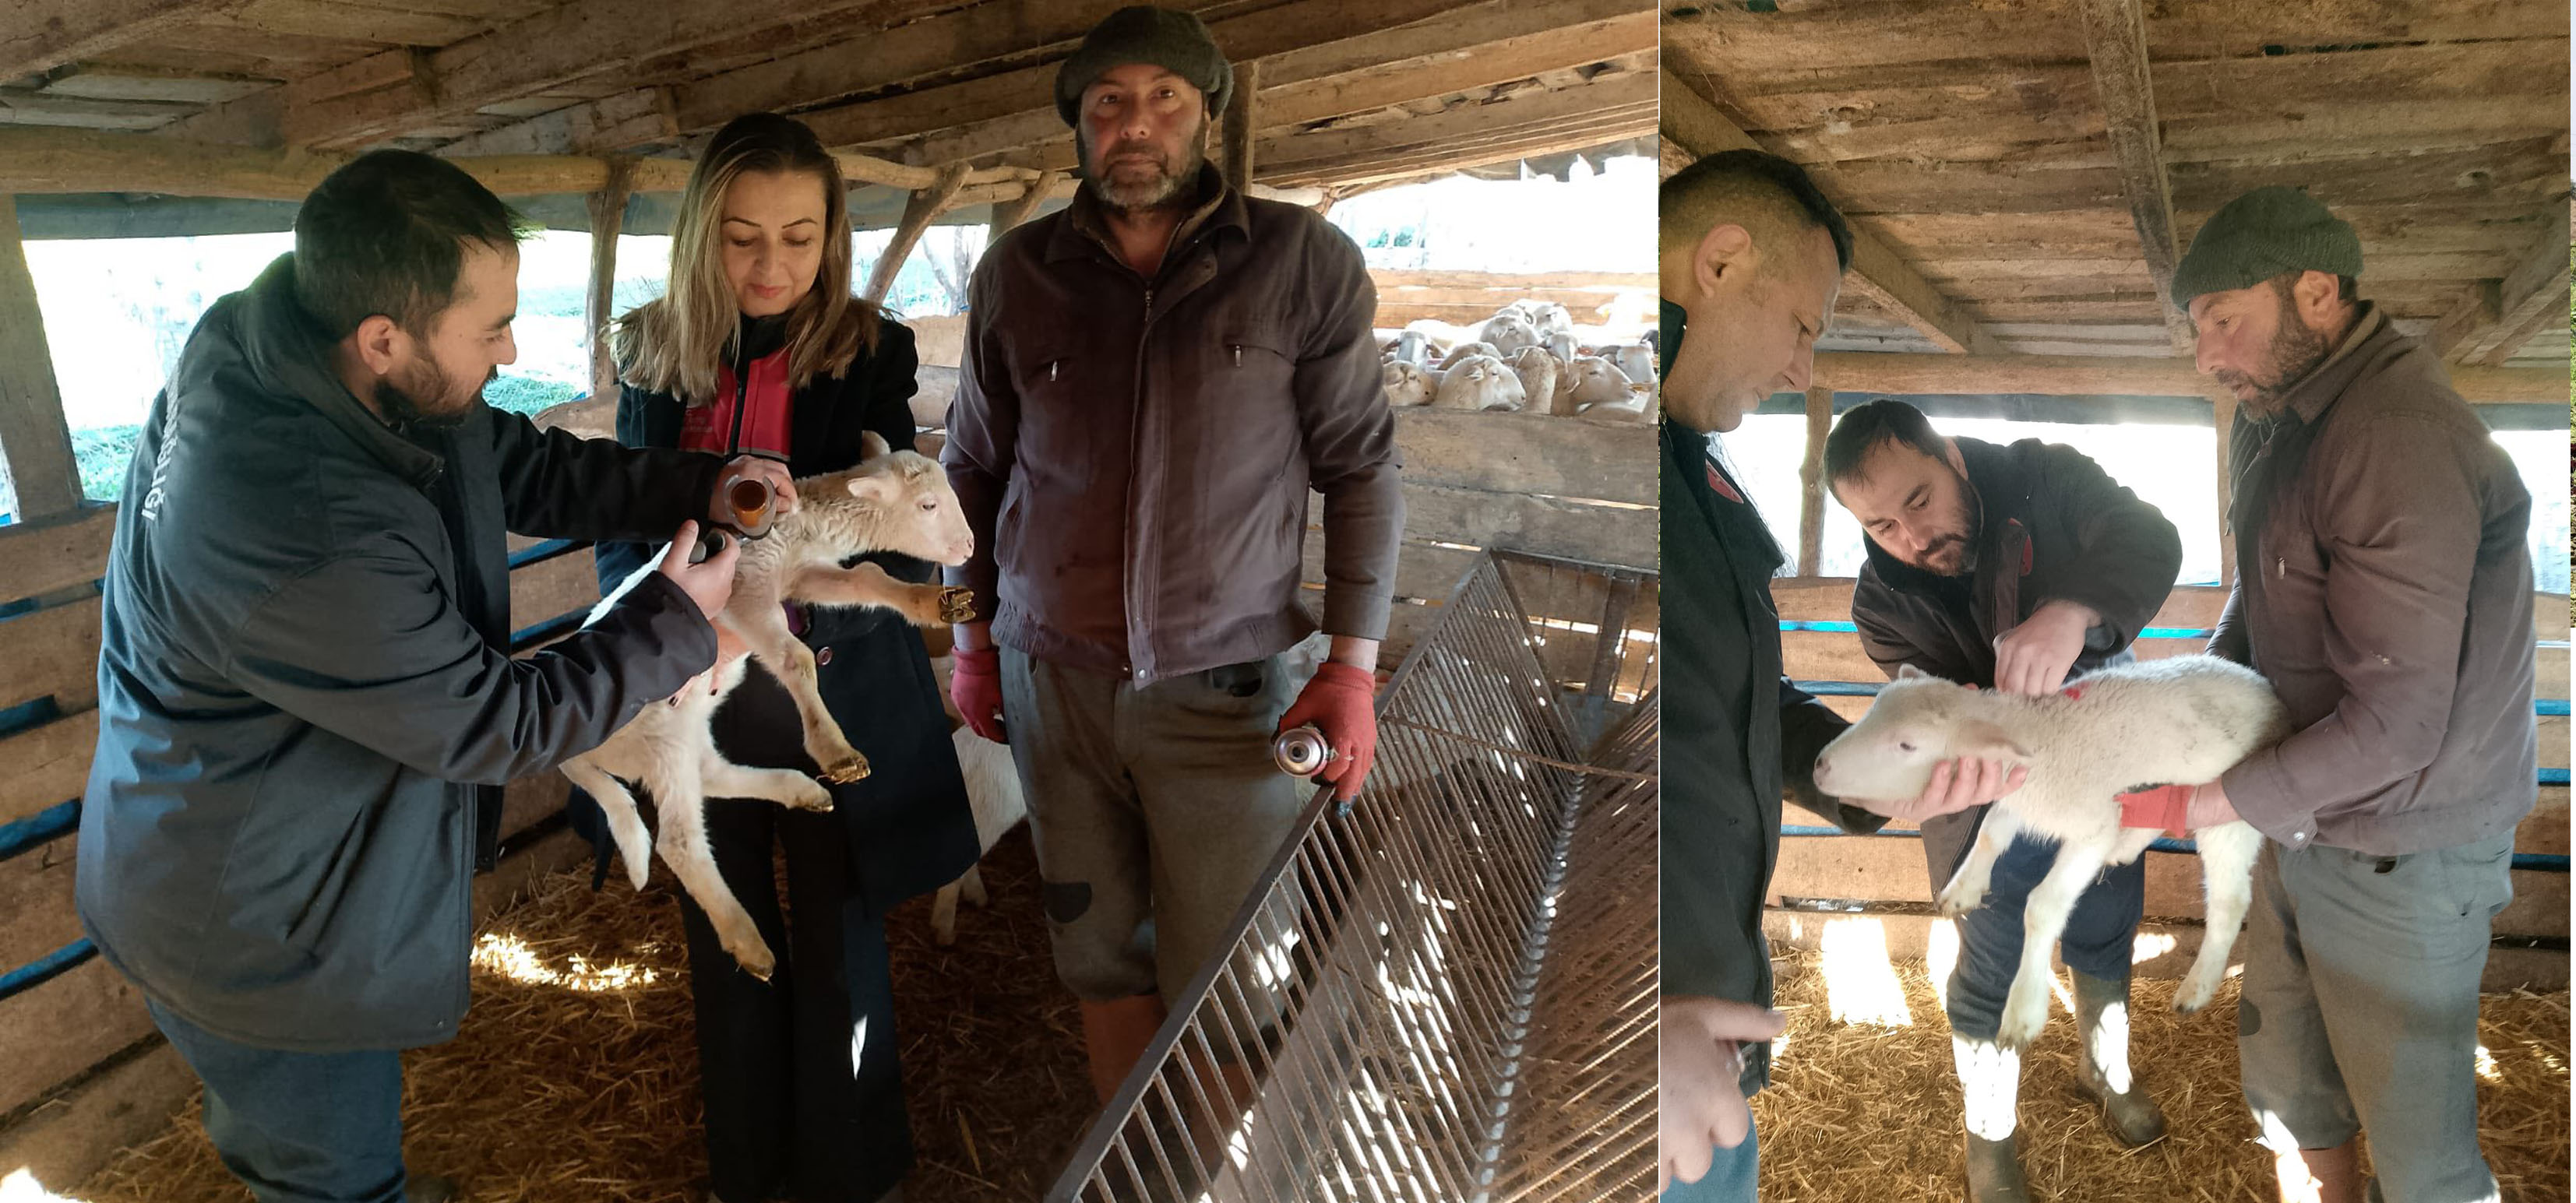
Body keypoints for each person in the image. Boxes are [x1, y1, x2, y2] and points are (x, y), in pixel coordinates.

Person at [76, 149, 781, 1203]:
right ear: (384, 338)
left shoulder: (292, 350)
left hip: (260, 841)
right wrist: (675, 622)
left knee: (317, 1146)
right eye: (491, 328)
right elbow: (495, 722)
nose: (512, 349)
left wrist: (700, 485)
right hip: (255, 923)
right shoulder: (307, 530)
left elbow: (512, 461)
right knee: (327, 1173)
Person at [939, 5, 1402, 1109]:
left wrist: (1350, 666)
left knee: (1235, 974)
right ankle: (1134, 1167)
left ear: (1207, 116)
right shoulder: (1017, 273)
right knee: (1096, 951)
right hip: (1052, 682)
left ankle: (1214, 1169)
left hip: (1226, 691)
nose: (1134, 125)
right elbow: (967, 473)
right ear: (1078, 125)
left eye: (1163, 100)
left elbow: (1361, 469)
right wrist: (969, 639)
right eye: (1108, 104)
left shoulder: (1300, 262)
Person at [587, 112, 981, 1203]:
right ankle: (749, 1169)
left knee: (837, 916)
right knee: (721, 916)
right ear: (700, 236)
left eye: (800, 238)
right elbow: (627, 510)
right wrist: (648, 637)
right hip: (691, 679)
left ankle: (851, 1171)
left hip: (824, 671)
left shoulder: (867, 348)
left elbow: (885, 512)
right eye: (742, 237)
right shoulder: (656, 347)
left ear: (831, 238)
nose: (772, 265)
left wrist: (794, 609)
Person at [1654, 147, 2027, 1199]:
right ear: (1720, 263)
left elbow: (1740, 706)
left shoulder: (1696, 472)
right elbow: (1552, 746)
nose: (1798, 371)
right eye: (1801, 326)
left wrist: (1874, 784)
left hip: (1704, 1027)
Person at [2164, 186, 2534, 1203]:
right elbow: (2269, 583)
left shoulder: (2391, 433)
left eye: (2223, 320)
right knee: (2292, 1084)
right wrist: (2194, 686)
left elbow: (2399, 723)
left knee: (2420, 1154)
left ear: (2316, 293)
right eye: (2196, 329)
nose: (2204, 356)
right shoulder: (2281, 419)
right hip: (2305, 811)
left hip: (2403, 839)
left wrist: (2207, 800)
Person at [1824, 396, 2185, 1199]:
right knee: (1991, 959)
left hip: (2094, 772)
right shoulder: (1880, 606)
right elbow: (1929, 713)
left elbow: (2149, 536)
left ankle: (2103, 1068)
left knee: (2103, 924)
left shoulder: (2043, 477)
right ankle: (1989, 1136)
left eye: (1919, 500)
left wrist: (2071, 611)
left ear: (1952, 457)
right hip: (1984, 800)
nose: (1912, 537)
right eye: (1881, 526)